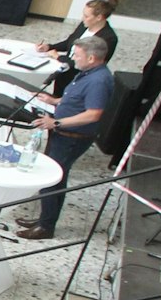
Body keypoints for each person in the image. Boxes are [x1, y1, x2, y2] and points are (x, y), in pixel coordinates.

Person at [18, 34, 114, 240]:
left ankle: (46, 226)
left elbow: (93, 113)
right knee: (56, 179)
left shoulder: (99, 80)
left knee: (52, 179)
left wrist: (57, 123)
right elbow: (76, 97)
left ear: (91, 58)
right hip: (64, 133)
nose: (73, 58)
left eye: (77, 55)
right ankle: (45, 219)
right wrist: (55, 101)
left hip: (72, 137)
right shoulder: (89, 73)